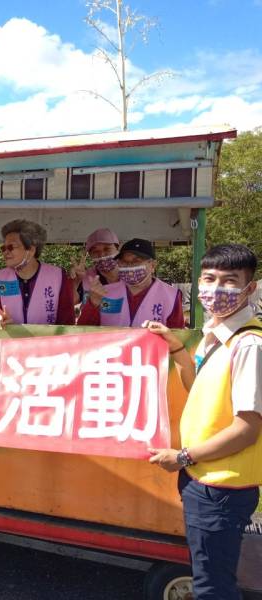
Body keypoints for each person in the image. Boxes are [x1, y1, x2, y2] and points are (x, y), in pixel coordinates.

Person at [146, 244, 262, 600]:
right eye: (210, 279)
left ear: (250, 288)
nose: (217, 289)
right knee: (207, 572)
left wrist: (183, 457)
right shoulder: (216, 335)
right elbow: (198, 387)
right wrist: (177, 349)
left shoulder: (249, 345)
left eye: (230, 281)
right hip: (204, 478)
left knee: (213, 586)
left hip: (221, 486)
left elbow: (247, 428)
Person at [0, 219, 75, 327]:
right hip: (10, 341)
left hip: (47, 342)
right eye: (3, 248)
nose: (5, 252)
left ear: (30, 250)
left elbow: (67, 321)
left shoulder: (58, 276)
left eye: (11, 247)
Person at [77, 238, 184, 328]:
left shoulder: (171, 295)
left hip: (151, 352)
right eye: (124, 262)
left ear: (153, 265)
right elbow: (84, 329)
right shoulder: (105, 292)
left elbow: (177, 335)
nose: (129, 266)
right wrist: (93, 303)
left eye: (136, 261)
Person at [68, 228, 121, 304]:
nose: (102, 255)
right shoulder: (85, 277)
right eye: (95, 251)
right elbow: (72, 302)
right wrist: (75, 282)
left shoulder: (132, 275)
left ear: (117, 249)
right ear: (90, 255)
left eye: (107, 249)